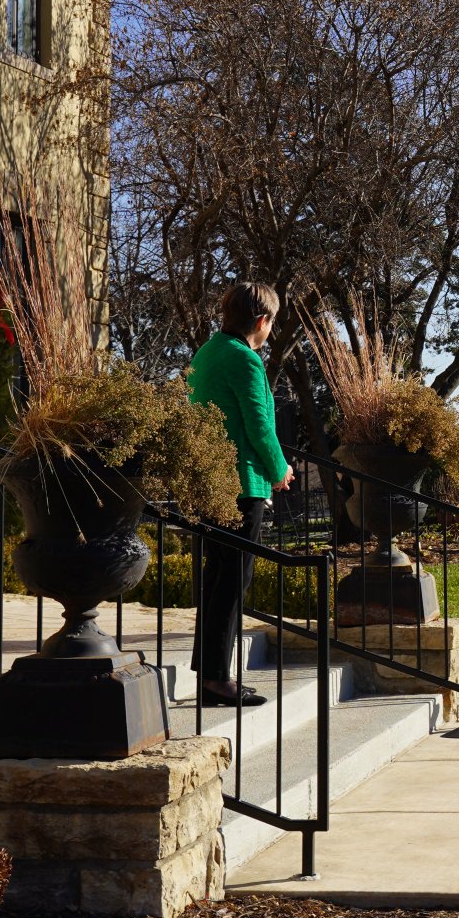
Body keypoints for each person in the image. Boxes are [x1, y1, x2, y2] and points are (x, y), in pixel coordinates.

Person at [186, 282, 294, 707]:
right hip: (241, 484)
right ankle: (215, 679)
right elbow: (259, 425)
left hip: (212, 481)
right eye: (272, 323)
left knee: (216, 582)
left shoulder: (208, 351)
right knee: (232, 581)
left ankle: (212, 675)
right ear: (263, 321)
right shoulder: (245, 360)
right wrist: (280, 468)